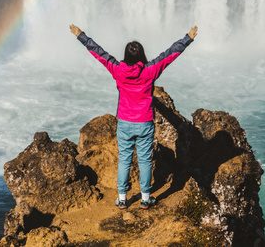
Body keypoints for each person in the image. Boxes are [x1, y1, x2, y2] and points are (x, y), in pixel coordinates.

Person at [69, 24, 197, 210]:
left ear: (126, 56)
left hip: (125, 123)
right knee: (145, 160)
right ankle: (145, 198)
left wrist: (81, 36)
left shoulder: (118, 70)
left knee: (125, 160)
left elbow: (99, 53)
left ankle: (122, 199)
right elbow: (170, 54)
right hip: (144, 122)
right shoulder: (150, 71)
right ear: (141, 55)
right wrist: (188, 38)